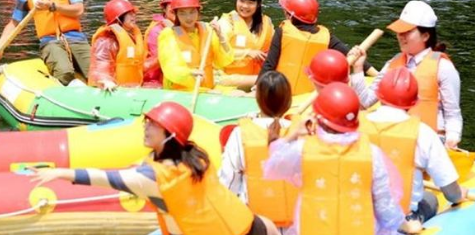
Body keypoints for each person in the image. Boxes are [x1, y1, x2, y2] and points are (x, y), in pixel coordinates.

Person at [32, 101, 280, 235]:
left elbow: (105, 177)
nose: (145, 127)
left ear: (170, 135)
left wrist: (59, 172)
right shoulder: (197, 155)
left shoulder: (153, 178)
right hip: (252, 225)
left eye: (152, 125)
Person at [262, 83, 412, 235]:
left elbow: (273, 166)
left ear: (317, 118)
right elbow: (385, 207)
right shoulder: (372, 154)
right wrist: (407, 226)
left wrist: (292, 135)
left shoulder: (303, 149)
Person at [358, 68, 467, 227]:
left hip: (359, 214)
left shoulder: (355, 127)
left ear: (379, 95)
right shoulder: (424, 133)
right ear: (414, 102)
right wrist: (459, 196)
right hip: (401, 218)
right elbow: (450, 192)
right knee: (430, 198)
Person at [347, 0, 462, 149]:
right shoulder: (393, 63)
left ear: (425, 36)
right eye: (400, 32)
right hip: (391, 136)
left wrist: (452, 138)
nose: (401, 36)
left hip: (427, 142)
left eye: (407, 32)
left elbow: (452, 113)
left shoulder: (443, 67)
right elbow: (365, 102)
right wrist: (358, 67)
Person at [219, 71, 296, 233]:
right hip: (295, 225)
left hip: (256, 224)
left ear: (258, 100)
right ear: (288, 101)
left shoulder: (241, 134)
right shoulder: (301, 134)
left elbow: (228, 181)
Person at [258, 0, 374, 95]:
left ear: (290, 16)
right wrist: (376, 74)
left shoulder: (282, 32)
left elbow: (269, 65)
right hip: (308, 96)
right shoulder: (326, 36)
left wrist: (256, 89)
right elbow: (352, 55)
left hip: (281, 95)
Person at [157, 0, 233, 91]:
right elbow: (171, 69)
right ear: (176, 14)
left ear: (198, 12)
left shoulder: (207, 29)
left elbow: (224, 61)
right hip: (182, 90)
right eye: (182, 13)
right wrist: (190, 73)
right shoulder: (168, 35)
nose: (188, 18)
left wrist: (221, 36)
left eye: (192, 12)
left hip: (207, 88)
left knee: (240, 94)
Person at [216, 0, 275, 85]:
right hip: (231, 78)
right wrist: (247, 52)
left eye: (250, 3)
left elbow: (274, 48)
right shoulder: (227, 22)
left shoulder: (266, 22)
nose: (245, 6)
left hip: (259, 75)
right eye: (242, 1)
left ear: (258, 4)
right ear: (236, 1)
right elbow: (219, 52)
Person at [88, 0, 145, 90]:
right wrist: (106, 80)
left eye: (133, 13)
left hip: (133, 88)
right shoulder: (106, 41)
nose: (133, 16)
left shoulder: (132, 36)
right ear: (118, 18)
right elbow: (101, 65)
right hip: (113, 89)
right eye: (129, 14)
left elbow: (139, 65)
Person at [143, 0, 184, 87]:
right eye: (171, 7)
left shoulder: (181, 26)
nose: (175, 10)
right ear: (164, 8)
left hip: (179, 74)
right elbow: (165, 61)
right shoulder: (156, 31)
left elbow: (187, 46)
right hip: (156, 81)